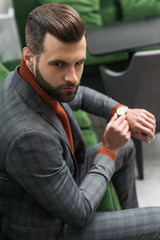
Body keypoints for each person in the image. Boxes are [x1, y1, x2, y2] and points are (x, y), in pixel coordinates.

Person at [0, 3, 159, 240]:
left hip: (61, 175)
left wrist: (121, 111)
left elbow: (80, 94)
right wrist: (108, 149)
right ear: (29, 57)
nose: (72, 77)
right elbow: (80, 213)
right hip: (49, 230)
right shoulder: (28, 136)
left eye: (79, 62)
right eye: (59, 64)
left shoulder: (26, 77)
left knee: (125, 148)